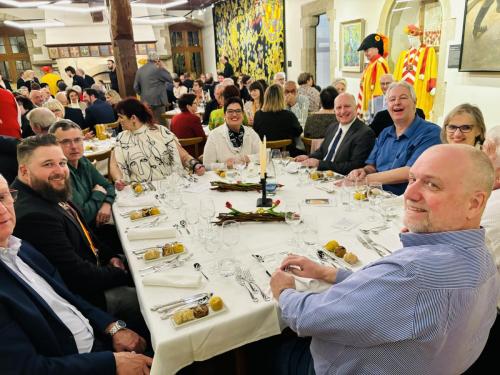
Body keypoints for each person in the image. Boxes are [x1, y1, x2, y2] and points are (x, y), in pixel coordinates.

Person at [271, 144, 498, 375]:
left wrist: (284, 291)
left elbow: (308, 318)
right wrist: (328, 273)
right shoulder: (485, 258)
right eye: (412, 179)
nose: (409, 194)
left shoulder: (412, 274)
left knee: (264, 348)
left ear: (475, 203)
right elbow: (385, 296)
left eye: (432, 184)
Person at [0, 174, 153, 374]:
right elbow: (26, 369)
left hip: (97, 341)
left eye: (3, 197)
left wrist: (112, 326)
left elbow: (68, 298)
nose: (3, 211)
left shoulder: (19, 247)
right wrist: (111, 363)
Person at [12, 135, 144, 329]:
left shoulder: (46, 190)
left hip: (96, 271)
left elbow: (87, 234)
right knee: (146, 298)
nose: (59, 171)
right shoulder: (33, 215)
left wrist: (111, 256)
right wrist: (119, 272)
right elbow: (76, 276)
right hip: (86, 299)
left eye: (62, 163)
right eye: (48, 164)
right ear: (24, 171)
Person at [348, 81, 441, 195]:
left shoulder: (431, 133)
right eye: (392, 100)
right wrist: (362, 172)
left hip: (406, 201)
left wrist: (366, 180)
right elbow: (372, 166)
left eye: (403, 98)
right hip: (374, 196)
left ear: (414, 102)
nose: (397, 102)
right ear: (387, 106)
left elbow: (411, 171)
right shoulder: (384, 133)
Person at [109, 97, 205, 186]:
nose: (118, 121)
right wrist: (119, 180)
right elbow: (114, 165)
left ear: (133, 118)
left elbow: (183, 156)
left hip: (171, 186)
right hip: (140, 191)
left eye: (121, 117)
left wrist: (196, 165)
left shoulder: (161, 131)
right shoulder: (121, 138)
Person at [296, 93, 375, 174]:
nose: (343, 111)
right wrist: (308, 157)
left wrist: (320, 164)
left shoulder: (365, 133)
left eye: (347, 106)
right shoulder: (333, 127)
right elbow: (322, 151)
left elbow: (354, 166)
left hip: (342, 180)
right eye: (338, 107)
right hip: (321, 175)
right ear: (334, 111)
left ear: (356, 108)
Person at [394, 24, 437, 119]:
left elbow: (432, 68)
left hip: (420, 86)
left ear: (418, 37)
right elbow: (397, 73)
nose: (410, 39)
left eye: (412, 37)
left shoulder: (428, 51)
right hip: (404, 88)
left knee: (419, 111)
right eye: (409, 37)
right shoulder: (403, 54)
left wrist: (432, 85)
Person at [203, 97, 261, 168]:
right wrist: (225, 166)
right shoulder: (214, 135)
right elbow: (207, 164)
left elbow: (263, 156)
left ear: (243, 114)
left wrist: (249, 158)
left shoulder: (251, 133)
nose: (234, 114)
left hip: (249, 177)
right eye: (230, 111)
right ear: (224, 115)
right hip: (224, 177)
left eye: (238, 111)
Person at [253, 84, 303, 157]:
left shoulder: (258, 115)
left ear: (266, 97)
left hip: (264, 156)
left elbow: (256, 134)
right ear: (282, 98)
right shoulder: (289, 115)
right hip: (287, 156)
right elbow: (298, 131)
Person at [356, 33, 390, 120]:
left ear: (376, 49)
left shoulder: (379, 64)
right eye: (364, 51)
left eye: (367, 50)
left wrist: (375, 114)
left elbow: (380, 91)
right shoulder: (371, 64)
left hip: (374, 111)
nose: (365, 53)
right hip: (367, 109)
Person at [134, 51, 173, 126]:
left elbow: (135, 87)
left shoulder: (140, 70)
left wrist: (143, 94)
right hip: (158, 101)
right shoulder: (158, 68)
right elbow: (170, 79)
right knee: (161, 124)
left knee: (148, 123)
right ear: (157, 59)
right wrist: (163, 67)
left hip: (145, 101)